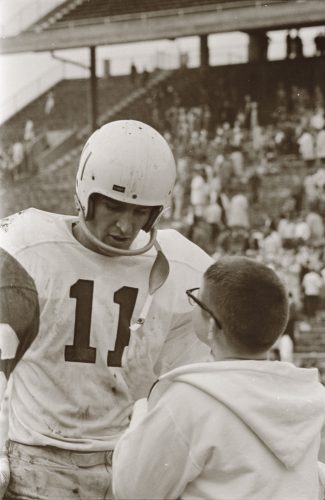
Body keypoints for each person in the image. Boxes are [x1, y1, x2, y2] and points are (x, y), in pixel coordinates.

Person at [0, 119, 213, 499]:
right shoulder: (27, 246)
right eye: (113, 206)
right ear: (86, 193)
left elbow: (195, 381)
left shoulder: (180, 266)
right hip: (38, 464)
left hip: (128, 462)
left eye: (140, 212)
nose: (125, 225)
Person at [112, 256, 325, 500]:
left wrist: (143, 399)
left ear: (212, 325)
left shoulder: (191, 401)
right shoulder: (306, 394)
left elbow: (133, 490)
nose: (192, 302)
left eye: (195, 298)